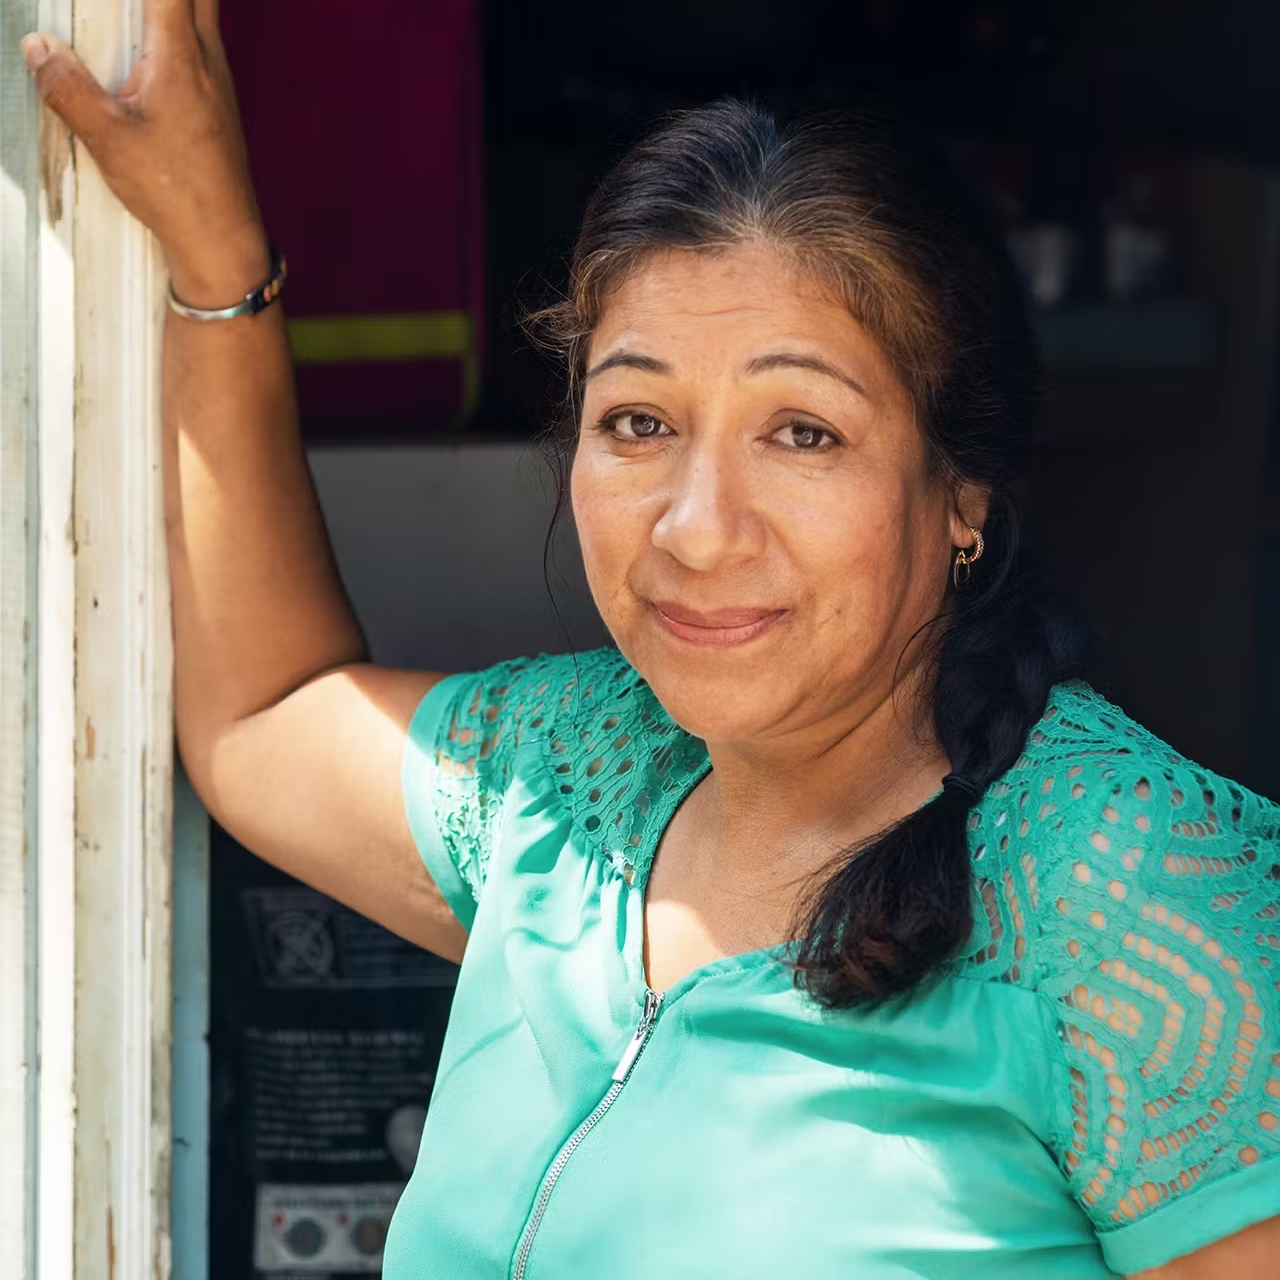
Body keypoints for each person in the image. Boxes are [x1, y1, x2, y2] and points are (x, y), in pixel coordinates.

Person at [23, 6, 1280, 1278]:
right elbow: (264, 712)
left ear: (959, 491)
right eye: (635, 422)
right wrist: (213, 251)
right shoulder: (576, 784)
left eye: (802, 432)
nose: (695, 526)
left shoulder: (1131, 888)